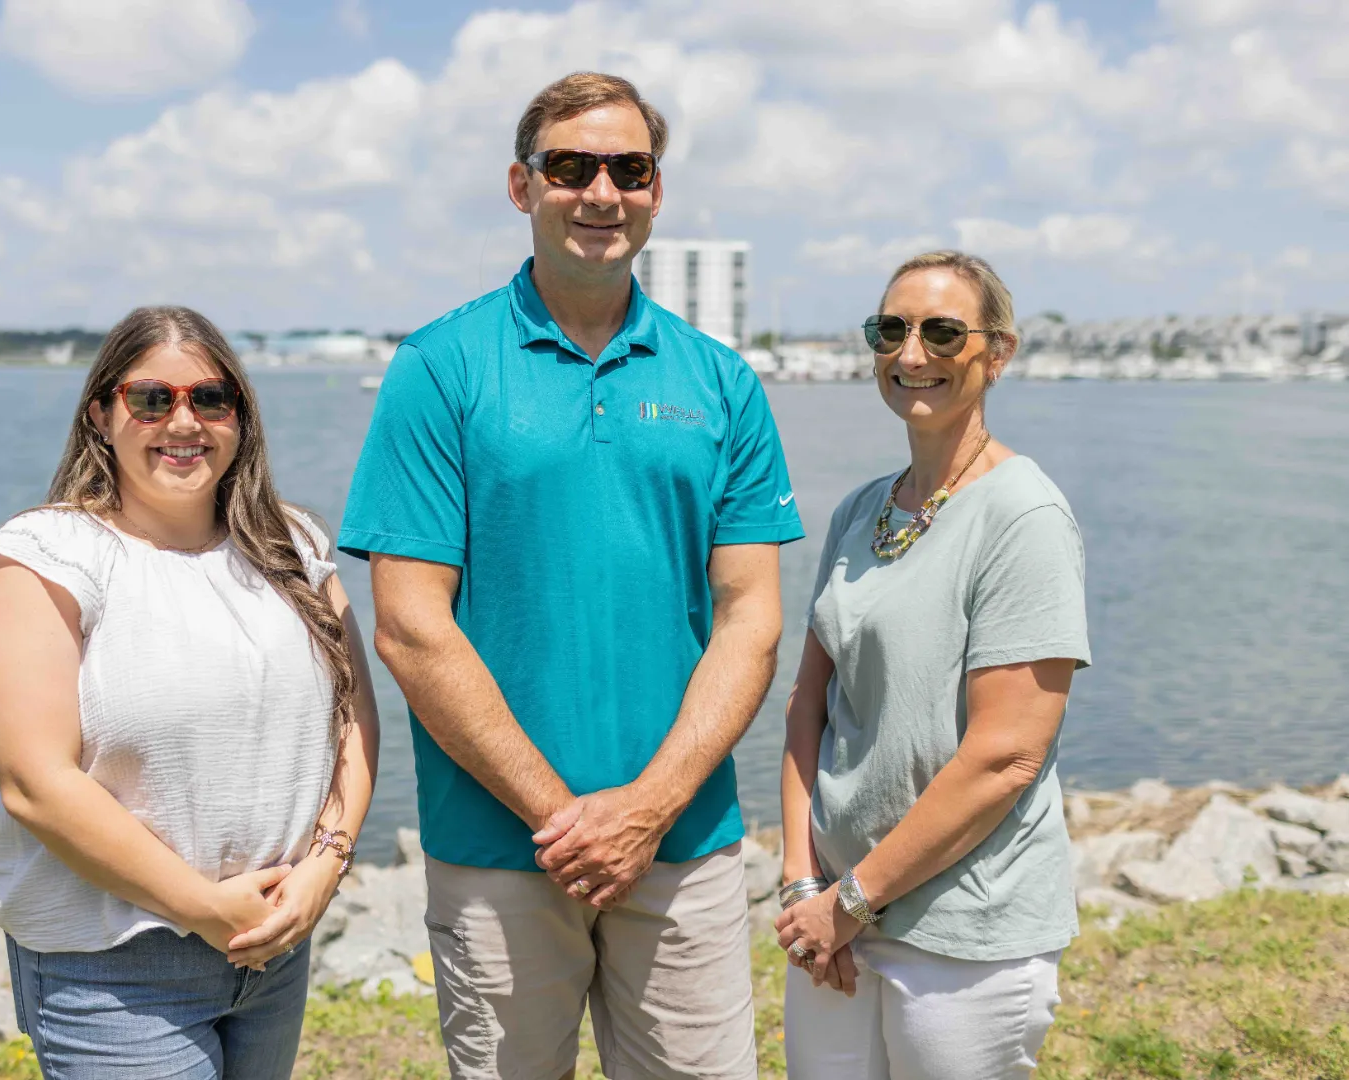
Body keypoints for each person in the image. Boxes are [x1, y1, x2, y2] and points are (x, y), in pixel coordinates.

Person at [337, 71, 803, 1080]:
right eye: (571, 166)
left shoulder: (720, 382)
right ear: (522, 185)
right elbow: (412, 628)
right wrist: (566, 818)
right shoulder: (441, 367)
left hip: (684, 845)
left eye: (629, 169)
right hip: (500, 849)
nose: (602, 191)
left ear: (656, 191)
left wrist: (644, 809)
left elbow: (751, 620)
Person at [0, 306, 380, 1080]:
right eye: (152, 399)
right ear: (101, 414)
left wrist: (327, 862)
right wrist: (204, 907)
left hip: (274, 951)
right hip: (114, 970)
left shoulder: (294, 544)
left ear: (240, 417)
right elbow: (35, 785)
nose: (182, 421)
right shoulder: (45, 556)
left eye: (210, 399)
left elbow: (353, 715)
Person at [774, 251, 1090, 1079]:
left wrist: (852, 900)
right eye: (892, 330)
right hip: (836, 917)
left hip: (963, 935)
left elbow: (1005, 756)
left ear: (998, 352)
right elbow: (810, 706)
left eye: (943, 332)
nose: (912, 354)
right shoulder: (859, 510)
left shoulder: (1025, 515)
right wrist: (801, 884)